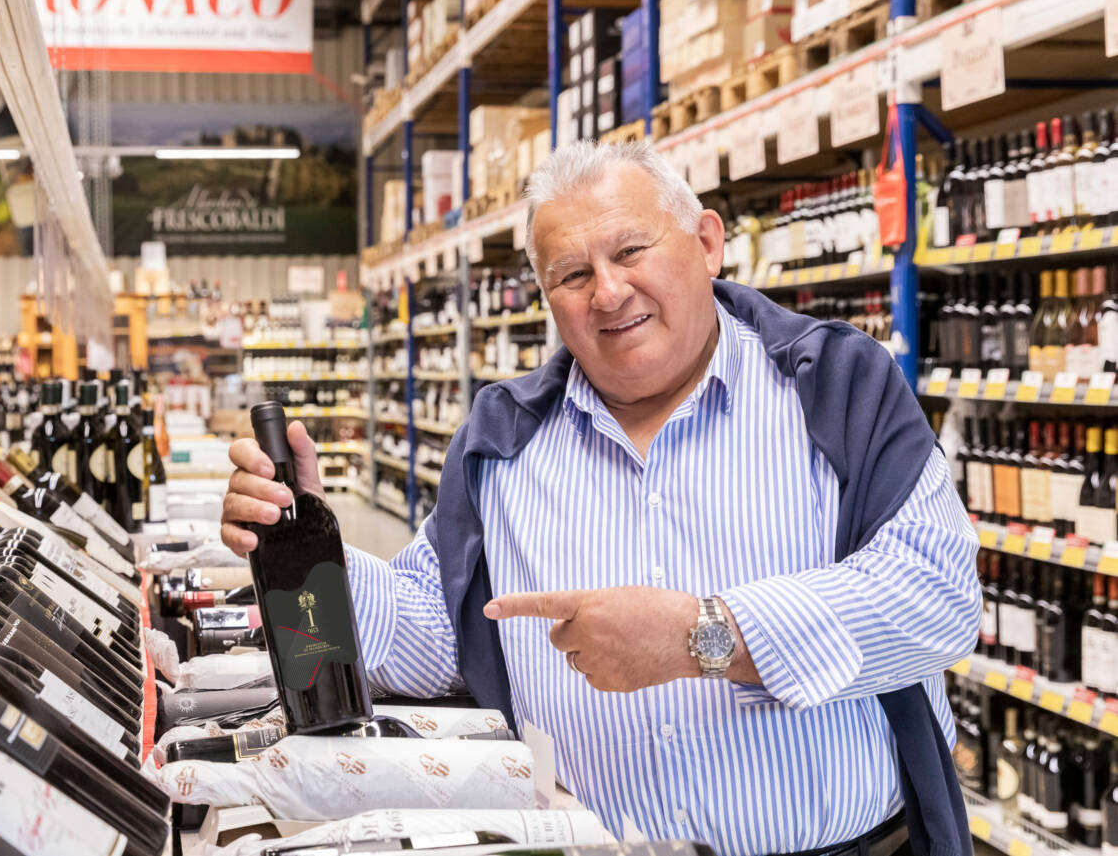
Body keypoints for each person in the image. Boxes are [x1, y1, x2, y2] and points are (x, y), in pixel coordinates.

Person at [221, 140, 980, 856]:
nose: (609, 291)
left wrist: (702, 634)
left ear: (708, 243)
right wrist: (307, 546)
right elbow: (433, 633)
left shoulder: (837, 386)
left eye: (630, 250)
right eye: (572, 274)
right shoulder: (503, 440)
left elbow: (936, 597)